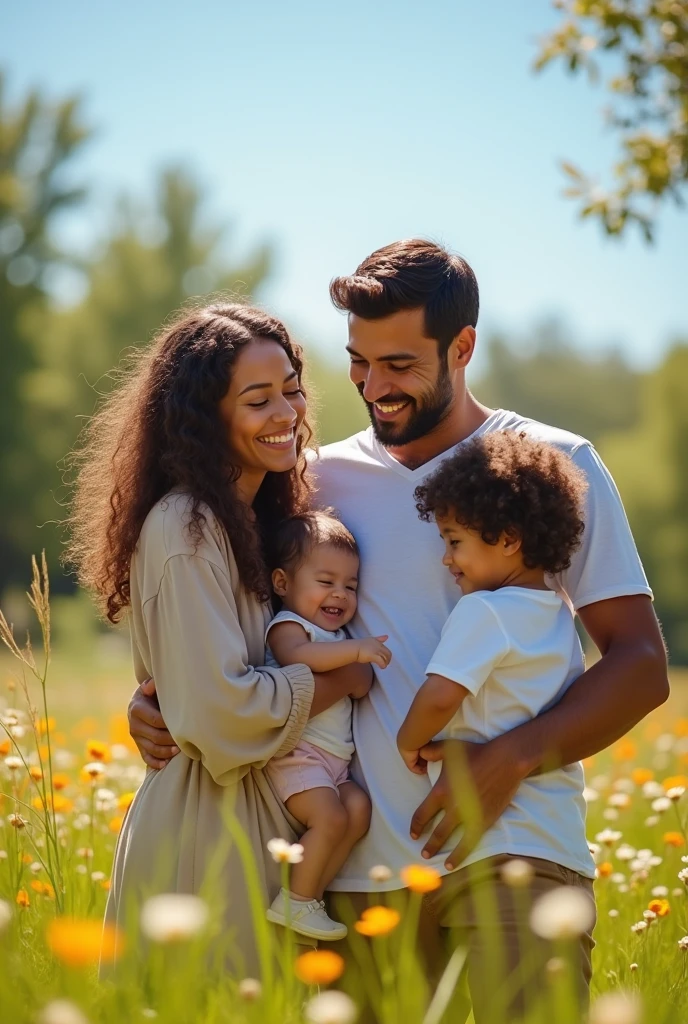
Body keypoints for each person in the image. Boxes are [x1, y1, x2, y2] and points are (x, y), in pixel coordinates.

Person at [128, 242, 668, 1017]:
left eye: (400, 364)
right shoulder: (312, 481)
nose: (373, 387)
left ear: (463, 348)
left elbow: (641, 662)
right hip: (357, 876)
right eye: (358, 361)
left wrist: (507, 760)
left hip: (517, 852)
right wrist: (157, 700)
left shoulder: (554, 461)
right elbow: (231, 618)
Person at [65, 302, 372, 973]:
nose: (286, 413)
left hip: (260, 833)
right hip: (204, 837)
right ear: (208, 418)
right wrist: (339, 680)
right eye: (257, 400)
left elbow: (195, 682)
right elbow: (216, 711)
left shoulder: (263, 523)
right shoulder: (188, 528)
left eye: (291, 389)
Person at [397, 431, 596, 1013]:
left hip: (504, 856)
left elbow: (440, 696)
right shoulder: (558, 616)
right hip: (560, 853)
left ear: (507, 539)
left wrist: (409, 742)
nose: (446, 558)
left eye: (454, 541)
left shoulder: (484, 611)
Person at [263, 510, 391, 940]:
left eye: (350, 586)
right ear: (283, 584)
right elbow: (297, 659)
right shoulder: (289, 626)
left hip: (333, 762)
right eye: (326, 582)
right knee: (332, 818)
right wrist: (355, 654)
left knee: (358, 811)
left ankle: (309, 894)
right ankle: (295, 902)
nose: (340, 595)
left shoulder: (335, 637)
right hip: (298, 755)